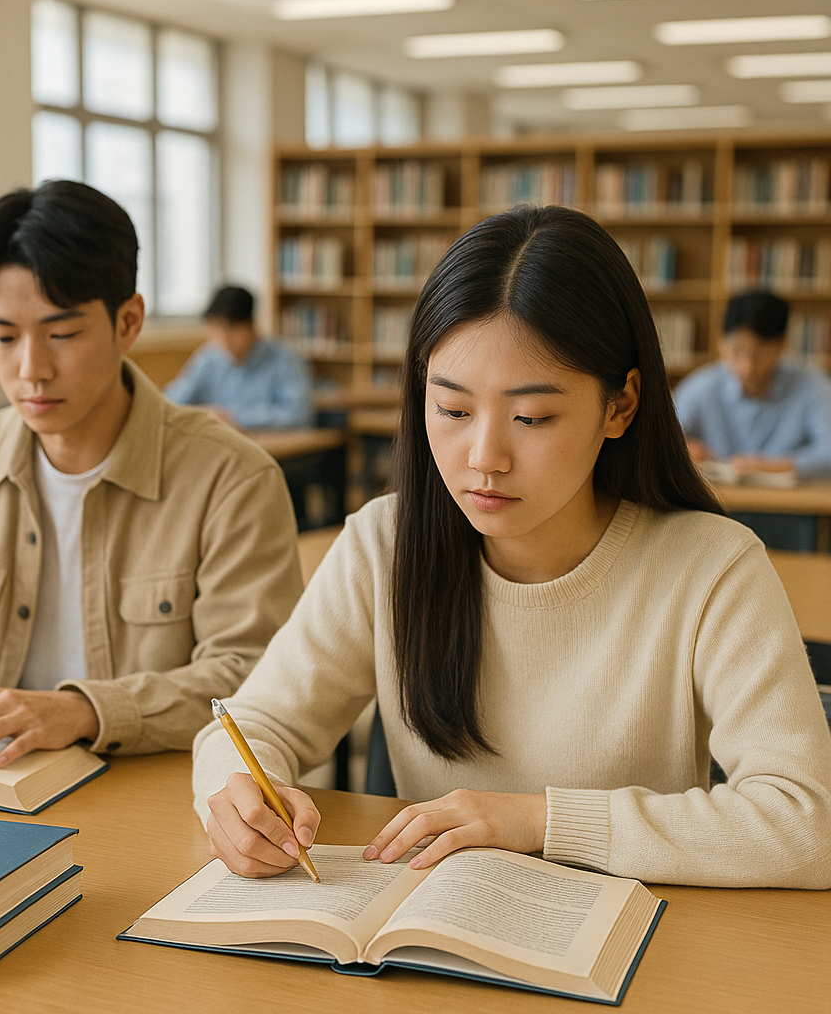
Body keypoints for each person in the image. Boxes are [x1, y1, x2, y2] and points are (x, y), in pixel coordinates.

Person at [192, 206, 831, 889]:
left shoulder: (712, 568)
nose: (484, 458)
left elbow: (805, 823)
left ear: (620, 405)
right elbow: (250, 725)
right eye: (453, 410)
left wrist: (539, 822)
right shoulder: (384, 545)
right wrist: (235, 793)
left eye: (532, 417)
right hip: (427, 954)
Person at [0, 180, 303, 768]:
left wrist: (86, 710)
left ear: (128, 322)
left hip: (151, 801)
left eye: (62, 334)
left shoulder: (232, 479)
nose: (31, 369)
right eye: (3, 336)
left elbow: (249, 677)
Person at [674, 289, 831, 479]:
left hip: (790, 505)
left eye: (759, 355)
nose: (747, 367)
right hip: (718, 502)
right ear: (720, 342)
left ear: (783, 346)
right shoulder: (701, 387)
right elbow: (655, 439)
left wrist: (773, 466)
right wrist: (684, 449)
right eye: (736, 351)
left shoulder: (813, 386)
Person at [164, 285, 314, 430]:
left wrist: (233, 416)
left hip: (270, 449)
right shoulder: (209, 357)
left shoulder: (286, 359)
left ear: (251, 325)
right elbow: (171, 402)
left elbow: (297, 416)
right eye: (216, 333)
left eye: (231, 331)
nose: (224, 341)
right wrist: (201, 413)